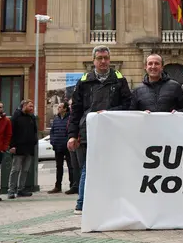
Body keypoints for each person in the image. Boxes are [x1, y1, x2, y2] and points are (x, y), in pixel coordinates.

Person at [68, 45, 132, 215]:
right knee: (87, 168)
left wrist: (110, 113)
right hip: (87, 133)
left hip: (113, 133)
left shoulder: (119, 80)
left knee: (113, 167)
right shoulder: (83, 81)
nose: (103, 61)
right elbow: (75, 110)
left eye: (106, 58)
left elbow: (128, 105)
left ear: (110, 60)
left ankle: (113, 202)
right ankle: (81, 203)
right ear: (93, 61)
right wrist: (72, 135)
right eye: (99, 58)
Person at [8, 99, 38, 199]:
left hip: (29, 148)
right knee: (15, 170)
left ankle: (21, 189)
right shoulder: (16, 116)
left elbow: (34, 131)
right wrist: (12, 146)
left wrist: (34, 141)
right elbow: (11, 132)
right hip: (18, 147)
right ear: (24, 106)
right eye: (30, 106)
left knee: (25, 170)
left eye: (32, 106)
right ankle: (11, 190)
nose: (32, 108)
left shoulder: (32, 117)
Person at [47, 102, 74, 194]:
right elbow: (52, 132)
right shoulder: (56, 119)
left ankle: (72, 185)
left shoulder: (70, 119)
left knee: (71, 167)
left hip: (67, 147)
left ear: (65, 109)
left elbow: (71, 131)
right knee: (59, 167)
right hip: (57, 146)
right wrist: (53, 141)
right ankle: (57, 186)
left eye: (60, 107)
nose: (58, 108)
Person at [65, 98, 79, 195]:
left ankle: (77, 185)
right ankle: (75, 185)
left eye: (72, 105)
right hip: (71, 142)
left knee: (79, 166)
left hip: (78, 142)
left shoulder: (78, 116)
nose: (70, 107)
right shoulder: (70, 117)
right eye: (70, 105)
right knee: (74, 166)